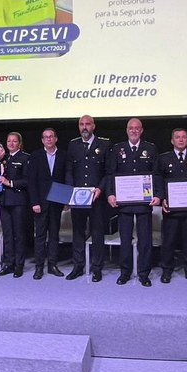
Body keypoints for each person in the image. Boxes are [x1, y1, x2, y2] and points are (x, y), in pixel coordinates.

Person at [106, 118, 162, 287]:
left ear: (142, 130)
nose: (134, 130)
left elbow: (157, 174)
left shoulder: (150, 148)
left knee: (145, 240)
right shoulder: (118, 149)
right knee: (125, 240)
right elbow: (111, 174)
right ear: (126, 130)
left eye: (137, 128)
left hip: (144, 203)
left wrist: (158, 195)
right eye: (131, 128)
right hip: (124, 203)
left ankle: (144, 273)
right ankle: (125, 272)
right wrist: (110, 194)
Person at [65, 115, 111, 282]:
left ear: (93, 126)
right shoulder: (73, 144)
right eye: (81, 124)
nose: (84, 127)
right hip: (78, 198)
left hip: (97, 198)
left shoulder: (104, 144)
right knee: (78, 232)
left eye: (87, 124)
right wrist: (69, 191)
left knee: (97, 233)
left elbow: (108, 172)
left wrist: (100, 188)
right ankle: (78, 266)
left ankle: (97, 268)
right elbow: (69, 170)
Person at [158, 128, 187, 284]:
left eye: (184, 137)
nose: (181, 139)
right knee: (168, 241)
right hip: (171, 209)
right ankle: (166, 270)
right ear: (172, 140)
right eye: (177, 137)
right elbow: (158, 180)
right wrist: (162, 199)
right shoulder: (163, 158)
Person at [27, 128, 67, 279]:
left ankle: (52, 265)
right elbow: (31, 181)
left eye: (51, 136)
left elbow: (66, 178)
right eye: (46, 137)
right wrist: (34, 202)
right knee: (40, 236)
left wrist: (65, 199)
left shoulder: (63, 155)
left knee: (54, 235)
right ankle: (39, 267)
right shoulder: (36, 156)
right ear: (42, 140)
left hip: (57, 201)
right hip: (40, 203)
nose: (49, 139)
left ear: (56, 139)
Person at [0, 132, 30, 278]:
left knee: (19, 234)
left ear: (19, 144)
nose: (11, 143)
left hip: (18, 201)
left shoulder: (25, 158)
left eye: (14, 141)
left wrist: (9, 183)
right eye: (9, 141)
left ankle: (19, 265)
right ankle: (8, 264)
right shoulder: (2, 158)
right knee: (7, 234)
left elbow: (28, 180)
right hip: (3, 200)